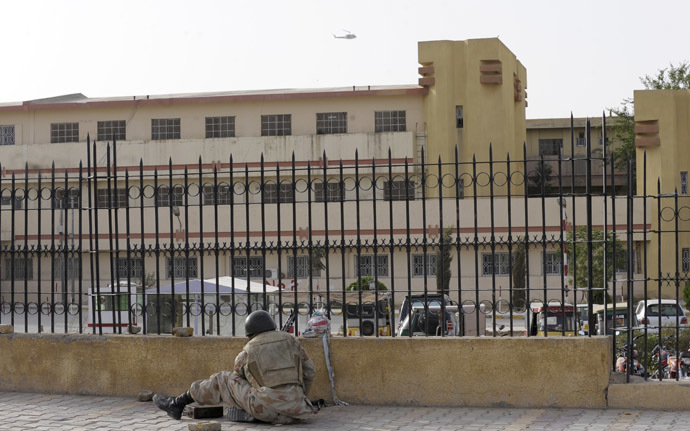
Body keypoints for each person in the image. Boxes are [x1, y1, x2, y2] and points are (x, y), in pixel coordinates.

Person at [153, 310, 318, 424]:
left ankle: (178, 402)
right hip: (300, 411)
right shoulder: (292, 341)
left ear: (250, 333)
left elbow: (238, 376)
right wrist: (298, 397)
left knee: (223, 378)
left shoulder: (248, 350)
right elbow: (310, 372)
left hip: (265, 410)